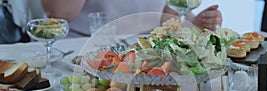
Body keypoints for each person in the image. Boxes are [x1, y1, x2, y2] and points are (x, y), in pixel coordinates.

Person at [41, 0, 222, 38]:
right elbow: (60, 13)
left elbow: (169, 16)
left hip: (146, 56)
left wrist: (195, 23)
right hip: (83, 49)